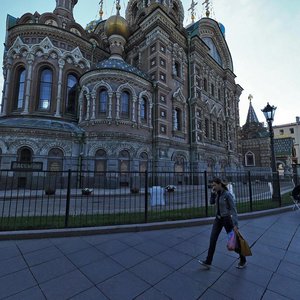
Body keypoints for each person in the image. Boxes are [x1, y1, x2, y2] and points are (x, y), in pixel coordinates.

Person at [199, 178, 247, 269]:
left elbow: (233, 210)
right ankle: (208, 261)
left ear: (220, 184)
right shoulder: (217, 193)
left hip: (227, 220)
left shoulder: (227, 195)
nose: (213, 187)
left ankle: (243, 259)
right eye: (212, 185)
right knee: (212, 239)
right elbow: (211, 202)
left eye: (214, 185)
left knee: (233, 241)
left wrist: (236, 224)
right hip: (218, 219)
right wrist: (212, 194)